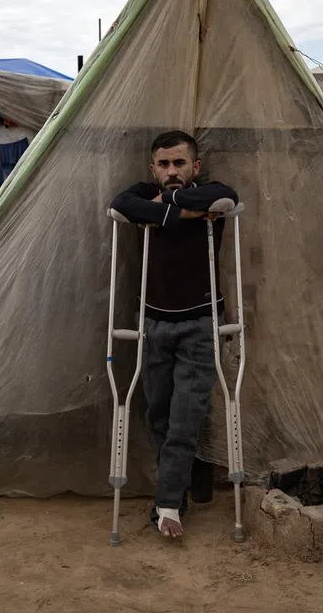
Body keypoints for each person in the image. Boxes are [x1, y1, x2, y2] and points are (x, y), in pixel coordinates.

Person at [110, 130, 238, 539]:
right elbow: (120, 206)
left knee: (185, 419)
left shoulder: (210, 194)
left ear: (194, 167)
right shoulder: (141, 192)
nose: (171, 172)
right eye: (163, 165)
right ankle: (176, 491)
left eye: (179, 164)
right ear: (153, 168)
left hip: (201, 323)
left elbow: (227, 198)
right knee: (158, 414)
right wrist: (182, 212)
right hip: (154, 322)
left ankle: (167, 503)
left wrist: (165, 205)